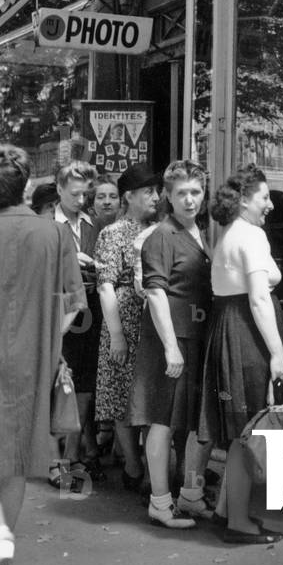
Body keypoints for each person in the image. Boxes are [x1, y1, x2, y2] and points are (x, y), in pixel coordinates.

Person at [0, 144, 86, 565]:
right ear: (28, 184)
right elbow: (72, 305)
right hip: (35, 359)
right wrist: (49, 337)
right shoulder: (56, 235)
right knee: (16, 457)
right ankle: (4, 542)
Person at [199, 164, 283, 545]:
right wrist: (277, 355)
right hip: (248, 333)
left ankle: (228, 511)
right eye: (265, 197)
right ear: (243, 201)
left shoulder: (230, 235)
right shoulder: (251, 237)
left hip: (228, 329)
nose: (270, 205)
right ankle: (240, 520)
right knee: (255, 424)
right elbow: (258, 298)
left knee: (244, 425)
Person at [129, 158, 212, 529]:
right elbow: (156, 293)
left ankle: (190, 497)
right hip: (171, 338)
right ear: (167, 195)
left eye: (196, 192)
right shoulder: (162, 234)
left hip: (194, 335)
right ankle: (160, 504)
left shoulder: (202, 231)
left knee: (191, 422)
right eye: (182, 193)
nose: (190, 200)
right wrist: (170, 347)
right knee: (162, 421)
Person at [94, 163, 159, 491]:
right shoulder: (113, 232)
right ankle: (132, 465)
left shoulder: (159, 228)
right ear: (129, 196)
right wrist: (116, 335)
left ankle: (149, 466)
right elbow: (105, 285)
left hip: (151, 318)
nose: (155, 198)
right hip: (123, 317)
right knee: (120, 393)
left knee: (146, 394)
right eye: (148, 191)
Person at [53, 160, 103, 486]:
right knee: (58, 382)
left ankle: (71, 455)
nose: (80, 201)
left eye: (85, 194)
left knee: (83, 385)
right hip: (58, 310)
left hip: (89, 310)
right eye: (74, 194)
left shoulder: (94, 226)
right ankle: (54, 459)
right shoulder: (45, 225)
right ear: (58, 189)